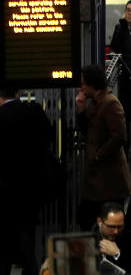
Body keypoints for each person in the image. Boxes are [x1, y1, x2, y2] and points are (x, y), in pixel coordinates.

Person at [0, 83, 56, 275]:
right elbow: (50, 136)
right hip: (32, 188)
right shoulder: (33, 111)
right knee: (27, 238)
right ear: (18, 93)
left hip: (4, 190)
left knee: (4, 244)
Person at [77, 64, 131, 228]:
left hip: (109, 178)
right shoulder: (95, 102)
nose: (81, 88)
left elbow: (119, 136)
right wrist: (81, 110)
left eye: (84, 84)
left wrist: (98, 155)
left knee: (100, 218)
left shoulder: (110, 104)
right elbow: (87, 130)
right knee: (87, 217)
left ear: (92, 84)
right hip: (99, 176)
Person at [93, 202, 131, 273]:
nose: (116, 231)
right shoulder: (88, 240)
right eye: (111, 227)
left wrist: (118, 254)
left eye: (120, 227)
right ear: (99, 221)